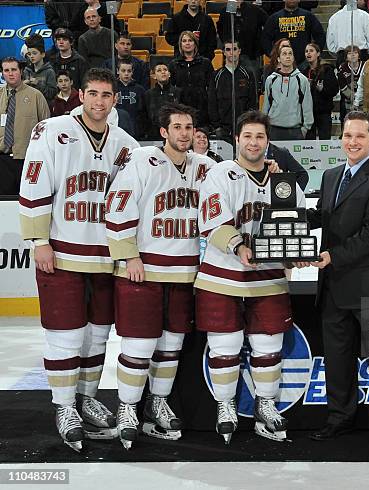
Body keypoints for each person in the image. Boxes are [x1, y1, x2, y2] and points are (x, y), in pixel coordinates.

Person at [18, 67, 139, 452]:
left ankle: (86, 398)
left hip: (106, 258)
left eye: (106, 95)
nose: (99, 101)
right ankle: (64, 406)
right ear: (81, 96)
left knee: (97, 335)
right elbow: (34, 182)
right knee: (65, 335)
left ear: (114, 100)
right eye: (93, 94)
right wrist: (39, 240)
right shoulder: (51, 131)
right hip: (63, 251)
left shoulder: (126, 143)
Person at [296, 110, 369, 448]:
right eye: (348, 136)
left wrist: (333, 256)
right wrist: (289, 215)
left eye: (360, 136)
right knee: (337, 356)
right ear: (340, 138)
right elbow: (323, 217)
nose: (353, 142)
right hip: (333, 285)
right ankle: (339, 418)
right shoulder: (330, 176)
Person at [105, 102, 214, 450]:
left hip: (184, 274)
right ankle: (127, 408)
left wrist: (273, 166)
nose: (184, 133)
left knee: (171, 346)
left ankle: (158, 402)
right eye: (177, 127)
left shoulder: (205, 167)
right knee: (138, 346)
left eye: (188, 127)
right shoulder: (141, 161)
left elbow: (239, 178)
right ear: (164, 132)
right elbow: (117, 205)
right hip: (143, 270)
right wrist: (128, 254)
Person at [195, 110, 303, 445]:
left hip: (268, 277)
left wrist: (296, 253)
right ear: (237, 140)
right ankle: (225, 405)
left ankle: (266, 405)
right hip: (223, 275)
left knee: (268, 345)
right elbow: (212, 220)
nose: (253, 142)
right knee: (224, 345)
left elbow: (296, 226)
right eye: (247, 136)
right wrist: (239, 246)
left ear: (267, 142)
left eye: (259, 137)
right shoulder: (221, 173)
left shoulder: (282, 182)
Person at [0, 57, 50, 196]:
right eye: (6, 70)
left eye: (14, 69)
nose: (10, 73)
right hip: (2, 160)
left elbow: (47, 128)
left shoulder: (36, 96)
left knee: (28, 200)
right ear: (2, 73)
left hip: (27, 159)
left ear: (21, 71)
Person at [208, 41, 259, 142]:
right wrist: (217, 125)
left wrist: (248, 122)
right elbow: (212, 103)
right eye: (228, 49)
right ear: (223, 52)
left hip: (243, 127)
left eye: (234, 49)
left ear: (239, 51)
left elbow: (253, 101)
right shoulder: (216, 75)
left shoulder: (248, 74)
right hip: (223, 129)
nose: (231, 52)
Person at [263, 45, 314, 140]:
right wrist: (264, 126)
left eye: (290, 54)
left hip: (295, 130)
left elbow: (307, 106)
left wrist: (305, 129)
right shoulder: (271, 80)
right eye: (284, 54)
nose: (288, 56)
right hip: (274, 129)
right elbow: (266, 105)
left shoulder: (302, 80)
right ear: (278, 59)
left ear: (293, 58)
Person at [169, 31, 215, 128]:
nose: (187, 43)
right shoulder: (174, 64)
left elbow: (211, 86)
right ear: (180, 44)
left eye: (190, 40)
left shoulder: (205, 63)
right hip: (181, 107)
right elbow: (171, 87)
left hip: (202, 107)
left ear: (195, 43)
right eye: (184, 41)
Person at [262, 0, 326, 66]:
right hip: (281, 62)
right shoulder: (274, 18)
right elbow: (265, 38)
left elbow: (320, 35)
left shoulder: (308, 16)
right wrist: (273, 56)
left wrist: (314, 53)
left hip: (304, 62)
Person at [217, 0, 269, 80]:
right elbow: (221, 30)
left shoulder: (255, 10)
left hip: (251, 55)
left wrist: (259, 45)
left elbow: (268, 26)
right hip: (231, 55)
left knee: (252, 82)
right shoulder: (225, 11)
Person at [301, 43, 339, 140]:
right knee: (309, 143)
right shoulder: (304, 72)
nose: (308, 53)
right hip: (309, 114)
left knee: (325, 142)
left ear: (318, 54)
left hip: (324, 113)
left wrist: (322, 89)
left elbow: (334, 90)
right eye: (306, 51)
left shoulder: (327, 69)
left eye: (311, 51)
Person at [326, 2, 369, 66]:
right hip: (359, 55)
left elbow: (330, 45)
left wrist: (339, 54)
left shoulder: (334, 18)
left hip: (351, 55)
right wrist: (368, 53)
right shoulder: (365, 16)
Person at [143, 61, 182, 140]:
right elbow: (144, 116)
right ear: (153, 76)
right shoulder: (148, 94)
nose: (163, 72)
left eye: (165, 69)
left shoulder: (178, 92)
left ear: (169, 74)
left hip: (174, 133)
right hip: (153, 134)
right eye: (159, 70)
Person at [23, 34, 58, 105]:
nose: (31, 56)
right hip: (29, 106)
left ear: (43, 54)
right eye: (29, 54)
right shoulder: (26, 71)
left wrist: (38, 84)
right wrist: (22, 85)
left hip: (45, 107)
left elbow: (52, 94)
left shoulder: (49, 71)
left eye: (34, 53)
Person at [115, 60, 146, 139]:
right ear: (118, 71)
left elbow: (143, 112)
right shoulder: (113, 88)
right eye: (123, 71)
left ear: (132, 72)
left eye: (129, 71)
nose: (126, 73)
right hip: (117, 128)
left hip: (135, 130)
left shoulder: (140, 90)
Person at [337, 45, 365, 124]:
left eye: (355, 53)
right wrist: (354, 97)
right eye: (349, 53)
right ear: (346, 57)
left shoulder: (365, 65)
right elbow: (342, 86)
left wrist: (361, 97)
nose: (353, 55)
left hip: (365, 99)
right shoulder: (342, 68)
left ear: (359, 55)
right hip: (349, 100)